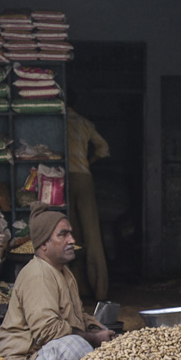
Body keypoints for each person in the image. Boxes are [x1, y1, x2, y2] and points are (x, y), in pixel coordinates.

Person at [0, 203, 114, 360]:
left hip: (42, 352)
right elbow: (47, 332)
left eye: (70, 234)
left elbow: (78, 316)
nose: (72, 240)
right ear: (44, 243)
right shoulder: (38, 274)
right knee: (74, 347)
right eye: (63, 235)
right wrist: (92, 339)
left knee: (110, 343)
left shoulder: (63, 271)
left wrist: (96, 330)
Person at [65, 108, 111, 301]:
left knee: (71, 235)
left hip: (63, 180)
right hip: (84, 177)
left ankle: (77, 290)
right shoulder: (84, 123)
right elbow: (104, 149)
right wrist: (86, 162)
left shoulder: (57, 120)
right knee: (92, 235)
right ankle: (100, 291)